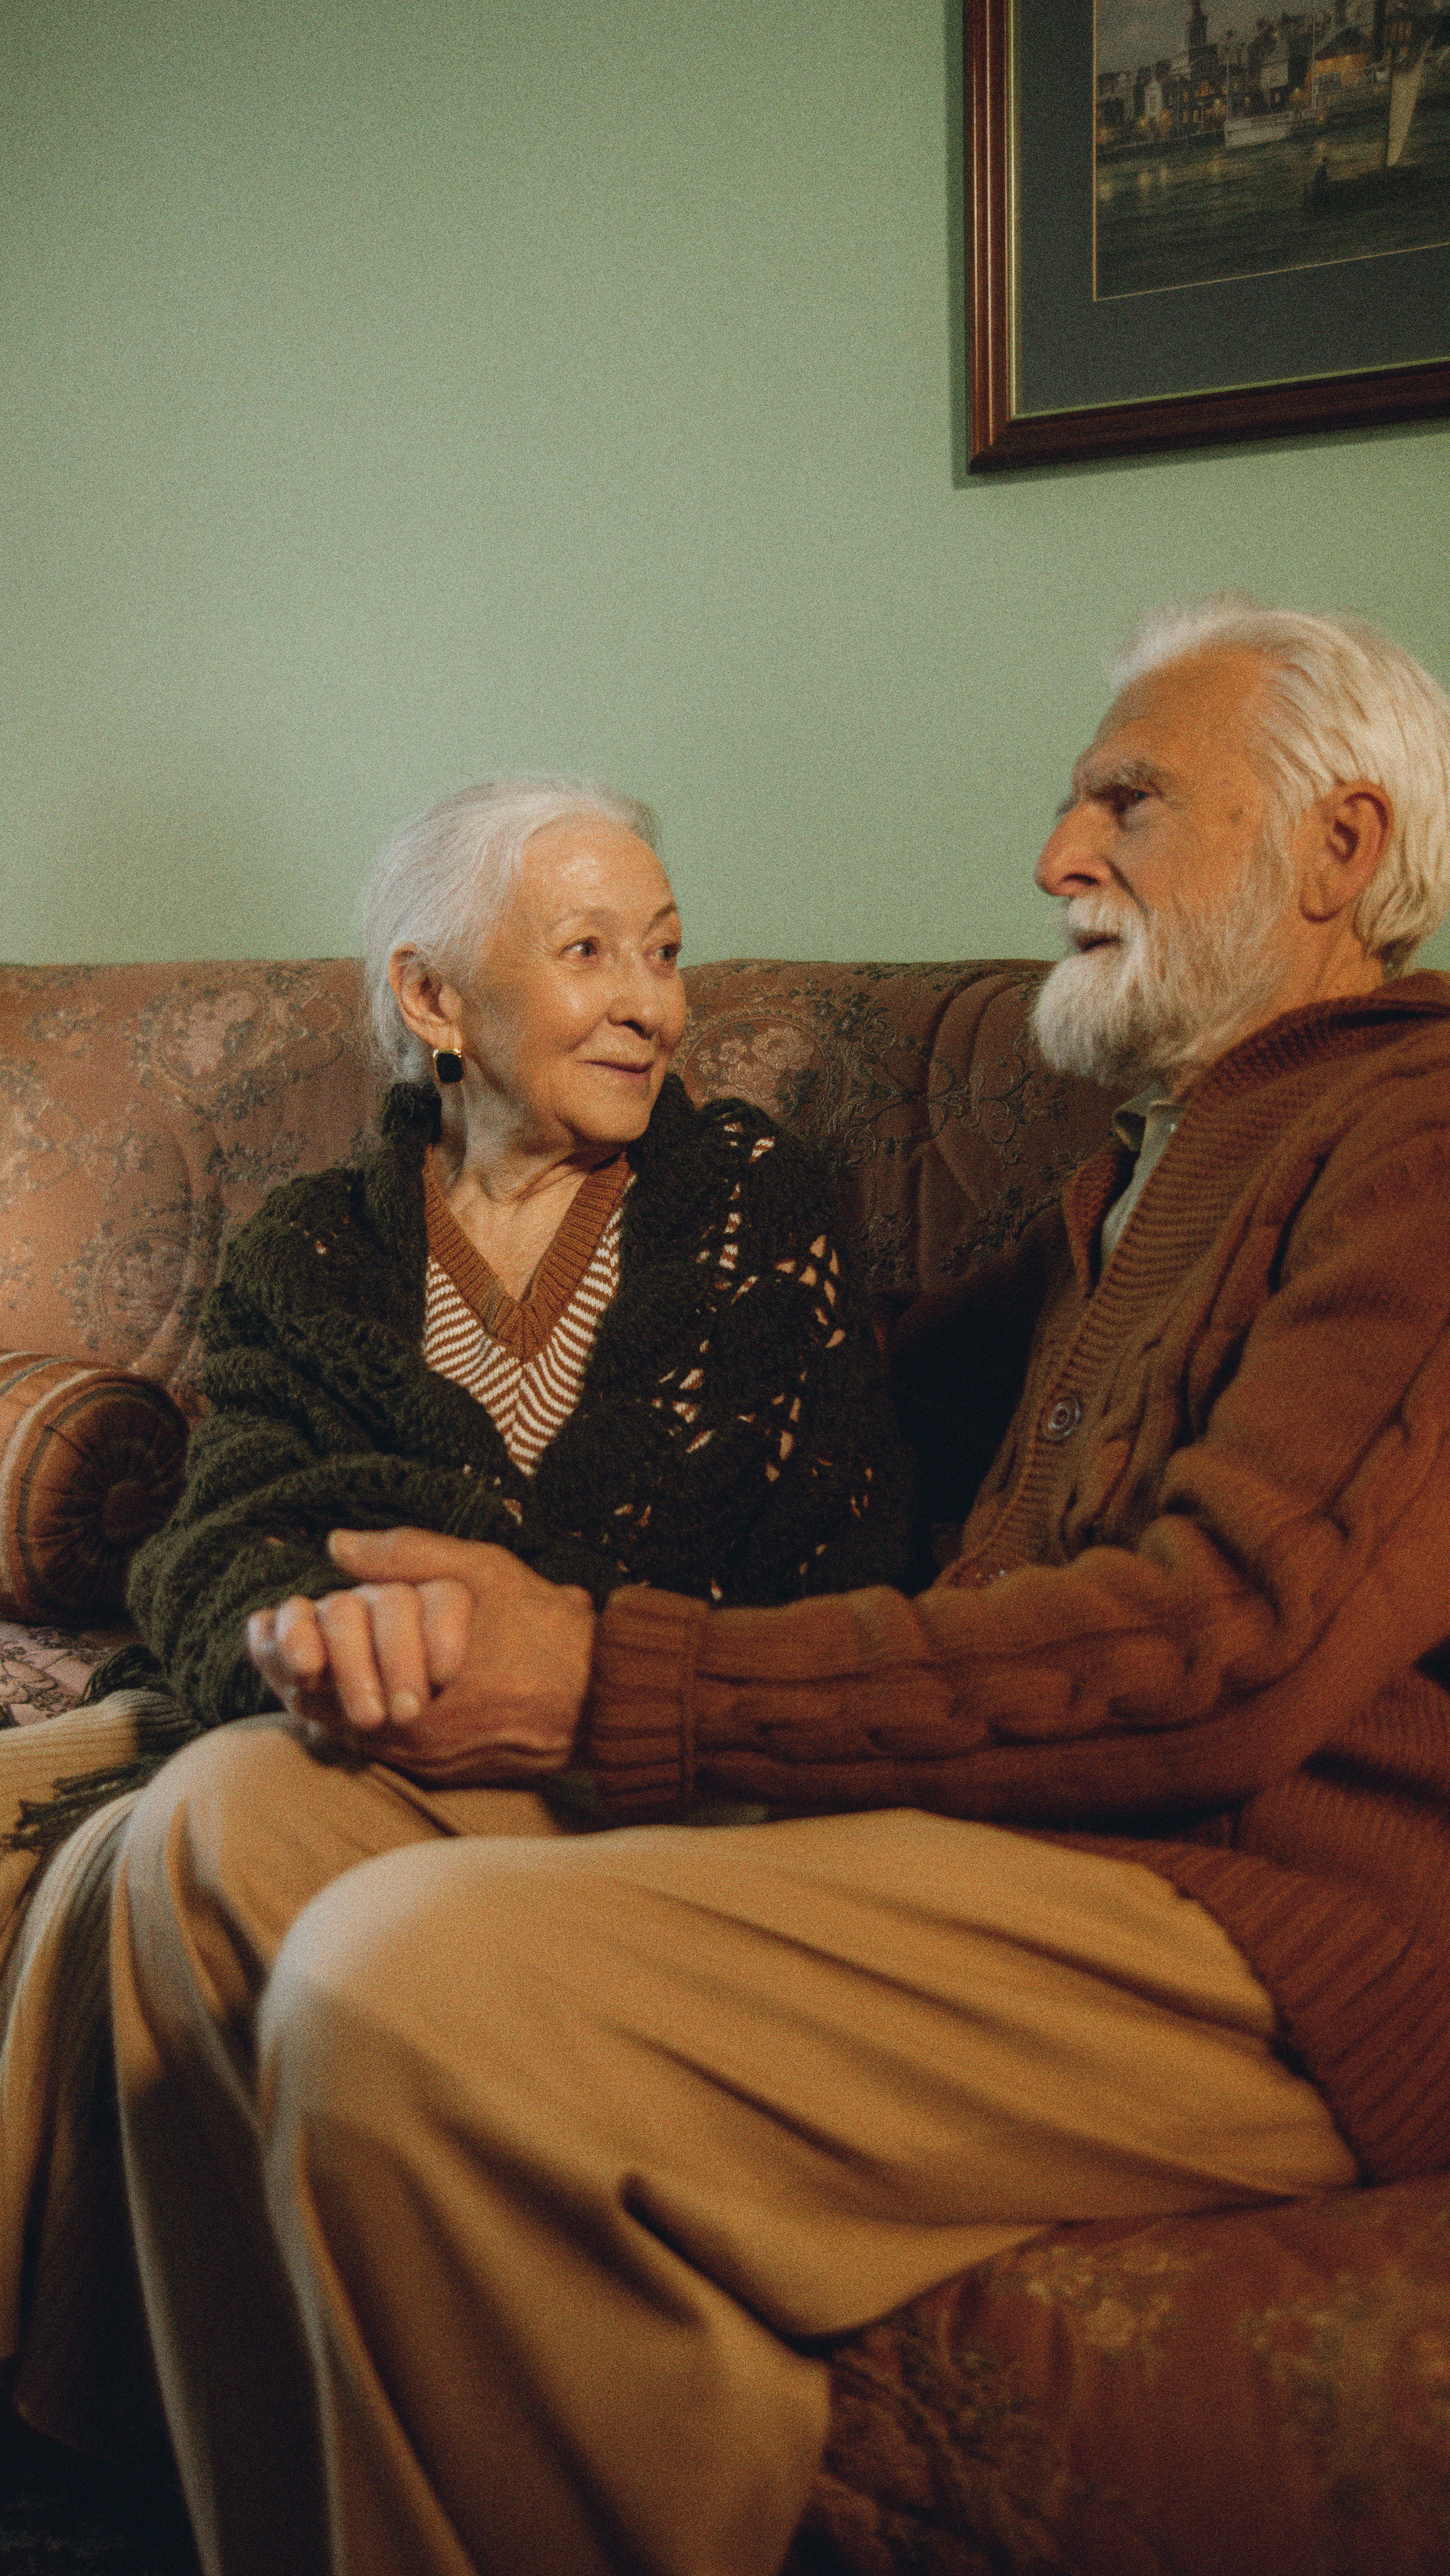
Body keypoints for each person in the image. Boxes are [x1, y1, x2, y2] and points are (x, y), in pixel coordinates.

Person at [113, 602, 1450, 2576]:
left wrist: (602, 1680)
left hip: (1258, 1921)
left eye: (1128, 802)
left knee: (405, 1981)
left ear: (1339, 854)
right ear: (434, 1001)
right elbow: (859, 1390)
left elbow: (1217, 1645)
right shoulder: (1148, 1170)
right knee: (233, 1823)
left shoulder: (1407, 1139)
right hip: (1031, 1850)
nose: (1053, 857)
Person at [0, 775, 913, 2469]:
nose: (654, 1002)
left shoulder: (748, 1203)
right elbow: (231, 1524)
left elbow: (832, 1564)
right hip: (314, 1701)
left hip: (613, 1746)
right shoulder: (318, 1244)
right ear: (436, 1001)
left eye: (663, 950)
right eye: (588, 953)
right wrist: (300, 1635)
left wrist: (479, 1628)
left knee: (145, 1852)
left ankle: (126, 2438)